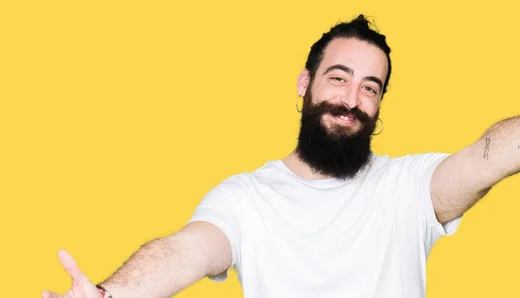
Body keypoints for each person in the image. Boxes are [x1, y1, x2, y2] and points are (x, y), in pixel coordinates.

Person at [42, 14, 520, 298]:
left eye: (369, 87)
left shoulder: (408, 187)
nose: (351, 99)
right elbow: (181, 251)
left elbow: (486, 155)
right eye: (338, 77)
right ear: (305, 83)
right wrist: (112, 295)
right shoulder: (246, 199)